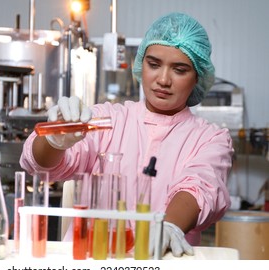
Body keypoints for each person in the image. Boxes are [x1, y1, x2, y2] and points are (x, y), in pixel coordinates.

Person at [20, 12, 234, 257]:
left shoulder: (210, 139)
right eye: (154, 65)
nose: (163, 80)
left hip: (161, 262)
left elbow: (200, 186)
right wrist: (54, 140)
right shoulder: (106, 120)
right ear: (141, 64)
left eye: (179, 69)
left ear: (197, 77)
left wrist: (171, 225)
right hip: (91, 261)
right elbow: (38, 165)